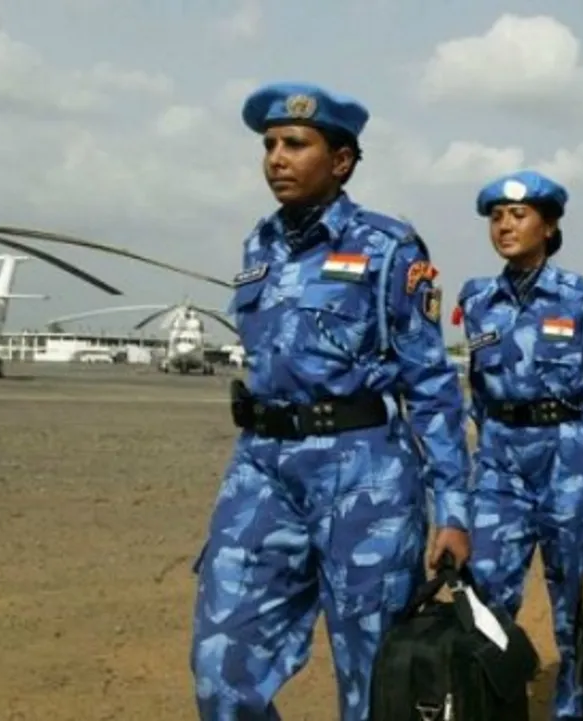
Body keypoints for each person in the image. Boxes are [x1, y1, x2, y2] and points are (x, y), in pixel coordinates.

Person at [190, 82, 472, 720]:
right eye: (269, 145)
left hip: (361, 475)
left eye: (295, 143)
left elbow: (429, 384)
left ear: (341, 160)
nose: (276, 158)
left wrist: (453, 508)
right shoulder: (258, 245)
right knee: (220, 668)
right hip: (262, 468)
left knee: (374, 681)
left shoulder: (387, 247)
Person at [456, 170, 583, 721]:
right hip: (500, 460)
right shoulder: (477, 299)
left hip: (569, 459)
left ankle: (578, 708)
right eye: (496, 216)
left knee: (576, 601)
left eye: (518, 215)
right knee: (487, 594)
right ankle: (496, 704)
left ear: (548, 226)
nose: (504, 225)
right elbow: (476, 389)